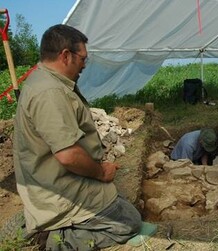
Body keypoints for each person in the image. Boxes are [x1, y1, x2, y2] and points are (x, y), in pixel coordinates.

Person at [13, 24, 143, 251]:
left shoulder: (48, 82)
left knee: (119, 201)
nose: (84, 65)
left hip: (65, 180)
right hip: (60, 191)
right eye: (83, 58)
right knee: (129, 222)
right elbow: (68, 155)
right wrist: (101, 172)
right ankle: (55, 241)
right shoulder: (50, 92)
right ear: (65, 55)